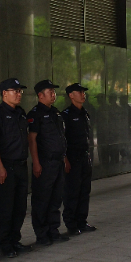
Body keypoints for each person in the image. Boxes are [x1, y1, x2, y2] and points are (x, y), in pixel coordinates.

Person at [0, 78, 33, 258]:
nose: (19, 94)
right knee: (6, 208)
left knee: (20, 207)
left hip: (21, 165)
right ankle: (5, 243)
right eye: (15, 91)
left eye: (20, 91)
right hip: (6, 166)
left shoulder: (21, 113)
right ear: (4, 93)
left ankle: (15, 239)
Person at [28, 80, 70, 246]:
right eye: (50, 92)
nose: (53, 95)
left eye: (54, 92)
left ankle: (53, 230)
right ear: (40, 95)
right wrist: (36, 163)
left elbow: (61, 138)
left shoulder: (56, 113)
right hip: (44, 163)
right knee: (42, 199)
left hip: (58, 162)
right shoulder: (35, 114)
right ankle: (42, 234)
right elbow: (32, 140)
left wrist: (65, 158)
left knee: (55, 198)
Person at [61, 83, 97, 235]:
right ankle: (71, 224)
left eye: (84, 92)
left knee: (84, 191)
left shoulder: (85, 113)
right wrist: (65, 159)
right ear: (71, 95)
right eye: (80, 92)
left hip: (84, 157)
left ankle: (82, 221)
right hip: (72, 158)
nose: (83, 94)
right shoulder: (66, 115)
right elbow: (62, 139)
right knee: (72, 191)